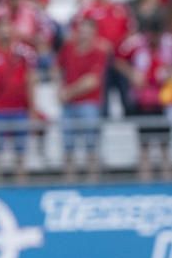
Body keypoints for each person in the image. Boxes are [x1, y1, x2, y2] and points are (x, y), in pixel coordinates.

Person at [0, 15, 38, 182]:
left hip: (20, 110)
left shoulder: (25, 52)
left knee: (21, 154)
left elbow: (31, 82)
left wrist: (33, 109)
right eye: (1, 27)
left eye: (8, 26)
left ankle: (21, 186)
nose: (5, 31)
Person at [115, 17, 172, 179]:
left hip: (163, 101)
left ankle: (167, 182)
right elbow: (118, 60)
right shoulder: (136, 43)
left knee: (163, 145)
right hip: (143, 101)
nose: (154, 39)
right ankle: (144, 182)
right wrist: (132, 74)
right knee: (143, 145)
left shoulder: (168, 43)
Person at [56, 17, 109, 181]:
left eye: (88, 31)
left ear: (94, 33)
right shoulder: (68, 48)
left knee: (91, 145)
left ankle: (93, 182)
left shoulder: (98, 52)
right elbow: (57, 67)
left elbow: (92, 81)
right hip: (69, 105)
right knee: (68, 146)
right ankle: (69, 181)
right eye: (82, 30)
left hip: (89, 104)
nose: (84, 34)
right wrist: (58, 88)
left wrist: (67, 92)